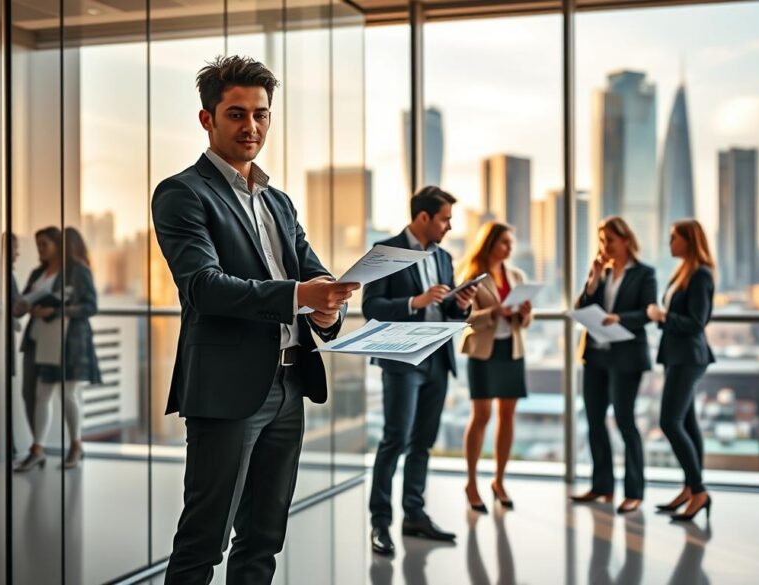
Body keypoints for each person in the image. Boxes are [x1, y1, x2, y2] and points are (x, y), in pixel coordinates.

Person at [151, 55, 358, 584]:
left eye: (261, 114)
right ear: (208, 119)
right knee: (204, 539)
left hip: (290, 384)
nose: (252, 127)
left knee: (264, 537)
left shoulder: (279, 202)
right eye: (237, 114)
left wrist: (329, 304)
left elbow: (312, 276)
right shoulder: (182, 193)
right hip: (227, 390)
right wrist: (299, 294)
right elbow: (203, 286)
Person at [363, 185, 478, 557]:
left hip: (437, 359)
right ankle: (380, 522)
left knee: (423, 442)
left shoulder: (444, 257)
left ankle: (414, 514)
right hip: (402, 360)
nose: (449, 226)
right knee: (395, 439)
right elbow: (372, 307)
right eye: (445, 219)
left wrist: (460, 305)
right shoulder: (387, 252)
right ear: (424, 217)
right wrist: (416, 301)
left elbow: (448, 312)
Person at [569, 216, 657, 513]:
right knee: (594, 420)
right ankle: (602, 485)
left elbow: (647, 313)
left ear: (626, 240)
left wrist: (621, 319)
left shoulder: (645, 274)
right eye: (602, 240)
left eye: (610, 240)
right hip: (596, 354)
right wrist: (592, 280)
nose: (605, 246)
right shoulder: (601, 273)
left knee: (624, 420)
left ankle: (634, 490)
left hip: (626, 357)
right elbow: (582, 307)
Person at [457, 221, 532, 513]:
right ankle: (472, 482)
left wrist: (524, 314)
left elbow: (526, 322)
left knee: (508, 415)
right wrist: (495, 312)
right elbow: (464, 317)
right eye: (504, 242)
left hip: (511, 351)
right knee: (482, 415)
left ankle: (498, 481)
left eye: (511, 243)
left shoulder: (516, 275)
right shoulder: (473, 276)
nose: (509, 248)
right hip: (483, 352)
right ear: (490, 244)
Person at [14, 226, 101, 471]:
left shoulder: (77, 272)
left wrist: (56, 310)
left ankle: (76, 445)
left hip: (69, 341)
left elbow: (90, 306)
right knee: (42, 393)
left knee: (68, 394)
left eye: (45, 244)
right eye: (38, 245)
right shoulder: (38, 272)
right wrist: (27, 307)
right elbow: (24, 301)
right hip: (42, 340)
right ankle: (37, 449)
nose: (40, 250)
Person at [647, 219, 716, 522]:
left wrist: (662, 316)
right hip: (678, 355)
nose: (669, 243)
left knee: (669, 422)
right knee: (687, 423)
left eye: (674, 238)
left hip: (689, 356)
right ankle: (690, 488)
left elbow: (696, 322)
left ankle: (699, 491)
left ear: (689, 240)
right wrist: (662, 317)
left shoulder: (700, 275)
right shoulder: (683, 272)